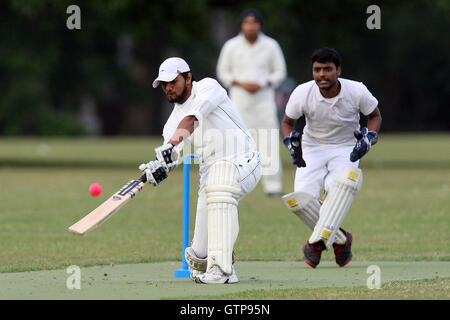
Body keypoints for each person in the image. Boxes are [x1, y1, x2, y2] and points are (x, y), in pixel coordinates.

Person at [139, 57, 262, 284]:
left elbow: (193, 119)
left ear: (188, 77)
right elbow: (171, 156)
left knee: (221, 185)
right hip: (210, 173)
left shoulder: (209, 87)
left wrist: (170, 146)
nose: (168, 87)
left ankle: (223, 270)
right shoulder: (170, 123)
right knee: (200, 253)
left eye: (172, 81)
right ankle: (211, 260)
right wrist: (159, 167)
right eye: (163, 84)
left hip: (244, 160)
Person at [280, 47, 382, 268]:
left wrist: (369, 138)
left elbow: (374, 116)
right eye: (317, 70)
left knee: (339, 191)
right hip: (311, 148)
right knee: (300, 202)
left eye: (327, 69)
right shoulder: (302, 92)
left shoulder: (356, 91)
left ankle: (314, 244)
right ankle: (342, 240)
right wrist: (290, 143)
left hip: (346, 148)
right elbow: (287, 123)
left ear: (338, 71)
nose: (322, 75)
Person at [216, 8, 287, 197]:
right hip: (239, 101)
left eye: (254, 23)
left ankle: (273, 187)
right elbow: (223, 72)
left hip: (264, 102)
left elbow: (280, 72)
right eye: (247, 23)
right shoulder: (231, 46)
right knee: (235, 144)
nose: (251, 26)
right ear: (242, 25)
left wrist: (263, 82)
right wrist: (240, 82)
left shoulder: (271, 45)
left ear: (259, 25)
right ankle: (233, 183)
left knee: (268, 142)